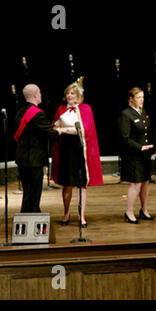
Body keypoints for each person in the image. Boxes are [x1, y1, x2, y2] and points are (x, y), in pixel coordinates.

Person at [51, 77, 103, 227]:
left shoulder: (86, 108)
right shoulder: (61, 109)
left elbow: (84, 129)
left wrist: (63, 129)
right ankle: (66, 213)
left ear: (78, 95)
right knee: (67, 184)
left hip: (81, 149)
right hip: (66, 149)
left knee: (81, 185)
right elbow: (53, 127)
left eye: (72, 93)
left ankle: (82, 216)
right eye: (68, 93)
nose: (69, 96)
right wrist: (60, 130)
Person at [14, 84, 62, 213]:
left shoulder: (20, 112)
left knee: (27, 192)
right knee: (34, 193)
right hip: (34, 160)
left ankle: (27, 214)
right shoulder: (38, 114)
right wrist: (61, 130)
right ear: (35, 95)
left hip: (22, 158)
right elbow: (50, 133)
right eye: (39, 93)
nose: (41, 95)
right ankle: (33, 217)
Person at [118, 87, 154, 224]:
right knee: (136, 184)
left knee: (145, 182)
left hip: (145, 154)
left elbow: (146, 132)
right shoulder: (126, 114)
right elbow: (125, 138)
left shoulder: (142, 112)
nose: (142, 100)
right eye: (139, 97)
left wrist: (151, 147)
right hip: (133, 155)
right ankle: (129, 211)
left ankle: (144, 209)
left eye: (143, 97)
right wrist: (140, 147)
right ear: (131, 99)